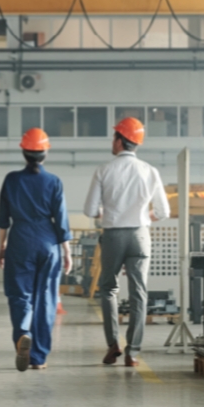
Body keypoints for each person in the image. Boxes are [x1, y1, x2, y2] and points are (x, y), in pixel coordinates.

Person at [82, 116, 170, 367]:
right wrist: (144, 218)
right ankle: (133, 353)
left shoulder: (104, 170)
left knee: (108, 289)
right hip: (141, 235)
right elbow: (163, 211)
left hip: (113, 235)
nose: (112, 141)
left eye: (114, 137)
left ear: (120, 140)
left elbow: (90, 210)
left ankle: (113, 345)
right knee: (139, 294)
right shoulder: (150, 171)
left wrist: (109, 213)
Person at [0, 128, 72, 372]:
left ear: (23, 151)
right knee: (46, 299)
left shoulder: (11, 180)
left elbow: (3, 219)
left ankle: (22, 335)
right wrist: (67, 252)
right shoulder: (54, 182)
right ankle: (38, 358)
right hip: (48, 242)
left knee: (20, 295)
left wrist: (2, 246)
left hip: (20, 239)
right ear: (45, 152)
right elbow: (61, 220)